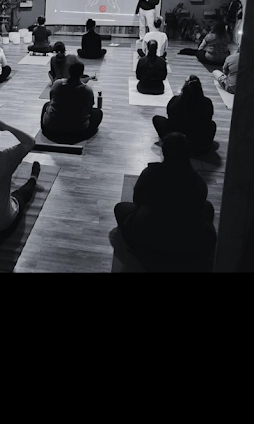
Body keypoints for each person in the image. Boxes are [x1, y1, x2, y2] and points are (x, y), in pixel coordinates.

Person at [114, 132, 217, 270]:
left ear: (164, 152)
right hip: (189, 244)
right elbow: (200, 203)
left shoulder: (151, 173)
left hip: (150, 239)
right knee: (208, 207)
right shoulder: (196, 180)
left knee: (120, 208)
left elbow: (137, 200)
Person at [41, 61, 103, 144]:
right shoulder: (87, 90)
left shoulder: (57, 84)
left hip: (51, 129)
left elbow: (51, 99)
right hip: (78, 131)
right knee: (98, 113)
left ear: (69, 71)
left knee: (46, 105)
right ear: (82, 74)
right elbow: (89, 108)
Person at [152, 75, 217, 152]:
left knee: (157, 119)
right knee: (212, 124)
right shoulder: (207, 102)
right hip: (198, 143)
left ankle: (173, 142)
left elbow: (170, 117)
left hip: (176, 141)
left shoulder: (175, 101)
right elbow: (208, 118)